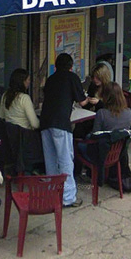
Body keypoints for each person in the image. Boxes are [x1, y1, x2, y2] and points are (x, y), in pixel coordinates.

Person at [40, 52, 87, 207]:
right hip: (61, 123)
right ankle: (68, 197)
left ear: (56, 66)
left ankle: (52, 193)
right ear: (71, 67)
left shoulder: (50, 79)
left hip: (45, 122)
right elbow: (82, 102)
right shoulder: (72, 78)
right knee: (66, 159)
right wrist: (90, 99)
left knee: (50, 160)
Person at [82, 83, 131, 185]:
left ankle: (80, 174)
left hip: (102, 153)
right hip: (118, 153)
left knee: (78, 144)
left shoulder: (102, 113)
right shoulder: (129, 112)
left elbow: (95, 135)